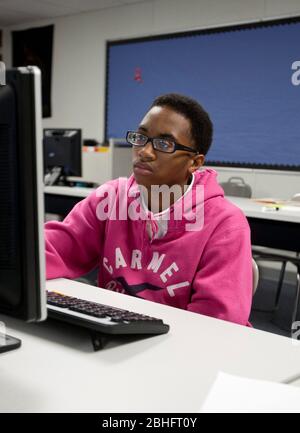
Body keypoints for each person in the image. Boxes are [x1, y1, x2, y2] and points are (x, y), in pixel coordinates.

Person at [45, 93, 253, 326]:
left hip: (178, 349)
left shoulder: (225, 224)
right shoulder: (111, 198)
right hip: (113, 334)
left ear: (194, 162)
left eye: (164, 144)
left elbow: (217, 323)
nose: (144, 151)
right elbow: (55, 248)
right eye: (141, 137)